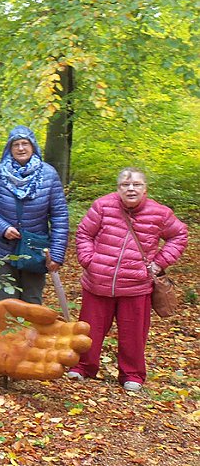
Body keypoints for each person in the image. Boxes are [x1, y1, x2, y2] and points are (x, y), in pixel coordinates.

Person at [68, 168, 187, 391]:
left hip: (136, 285)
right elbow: (84, 233)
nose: (131, 188)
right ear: (118, 188)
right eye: (125, 184)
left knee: (133, 333)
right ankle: (83, 367)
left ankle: (132, 374)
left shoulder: (159, 213)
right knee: (89, 329)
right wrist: (88, 260)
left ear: (145, 189)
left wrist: (160, 263)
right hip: (98, 282)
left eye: (136, 184)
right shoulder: (102, 206)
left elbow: (179, 235)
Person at [0, 126, 69, 304]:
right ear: (9, 148)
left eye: (25, 143)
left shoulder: (49, 174)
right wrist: (2, 228)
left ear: (33, 146)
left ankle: (32, 333)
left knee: (32, 302)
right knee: (6, 303)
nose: (20, 148)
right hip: (3, 250)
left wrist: (56, 254)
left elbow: (59, 217)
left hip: (35, 249)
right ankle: (9, 333)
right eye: (15, 144)